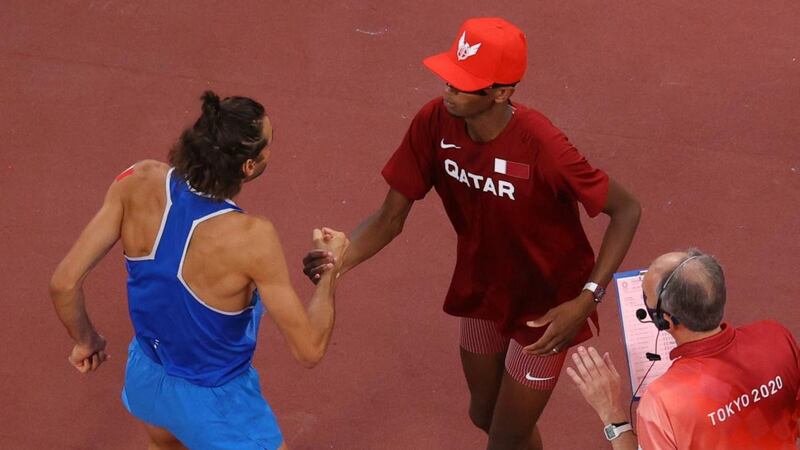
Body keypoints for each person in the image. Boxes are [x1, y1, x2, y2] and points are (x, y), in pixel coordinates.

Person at [303, 17, 641, 449]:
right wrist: (338, 262)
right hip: (482, 288)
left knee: (505, 437)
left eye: (464, 85)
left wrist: (586, 298)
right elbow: (390, 218)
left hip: (547, 309)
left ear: (501, 92)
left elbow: (627, 209)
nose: (448, 91)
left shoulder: (544, 146)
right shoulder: (433, 123)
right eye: (448, 78)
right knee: (483, 413)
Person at [49, 91, 348, 450]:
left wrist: (87, 341)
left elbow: (64, 283)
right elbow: (309, 350)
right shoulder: (251, 238)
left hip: (148, 382)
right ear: (249, 166)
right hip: (219, 408)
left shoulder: (137, 179)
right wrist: (330, 269)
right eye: (269, 144)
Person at [567, 249, 800, 449]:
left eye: (645, 299)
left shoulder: (662, 402)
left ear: (664, 321)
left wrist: (611, 413)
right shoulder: (776, 335)